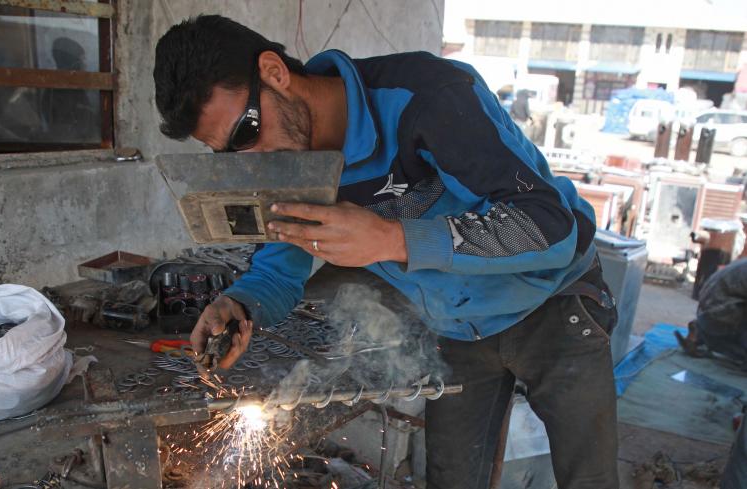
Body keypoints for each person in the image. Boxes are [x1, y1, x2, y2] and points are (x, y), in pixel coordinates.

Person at [153, 15, 619, 489]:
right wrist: (240, 305)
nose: (249, 160)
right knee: (452, 481)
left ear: (274, 72)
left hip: (553, 301)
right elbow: (278, 273)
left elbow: (552, 227)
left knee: (590, 479)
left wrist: (392, 239)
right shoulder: (283, 161)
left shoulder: (427, 97)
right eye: (227, 153)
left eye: (246, 131)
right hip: (458, 325)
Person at [676, 258, 747, 369]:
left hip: (713, 309)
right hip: (721, 313)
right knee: (738, 352)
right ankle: (706, 333)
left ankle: (700, 333)